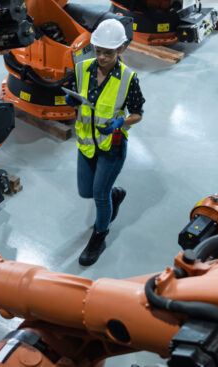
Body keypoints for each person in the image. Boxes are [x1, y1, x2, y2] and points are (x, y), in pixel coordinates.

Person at [67, 18, 144, 266]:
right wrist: (71, 102)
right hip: (87, 144)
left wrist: (121, 122)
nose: (101, 57)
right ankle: (115, 195)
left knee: (99, 195)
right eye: (98, 51)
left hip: (112, 147)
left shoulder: (128, 79)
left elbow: (138, 113)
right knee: (86, 191)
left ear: (120, 49)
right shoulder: (81, 69)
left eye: (108, 53)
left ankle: (99, 236)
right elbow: (74, 96)